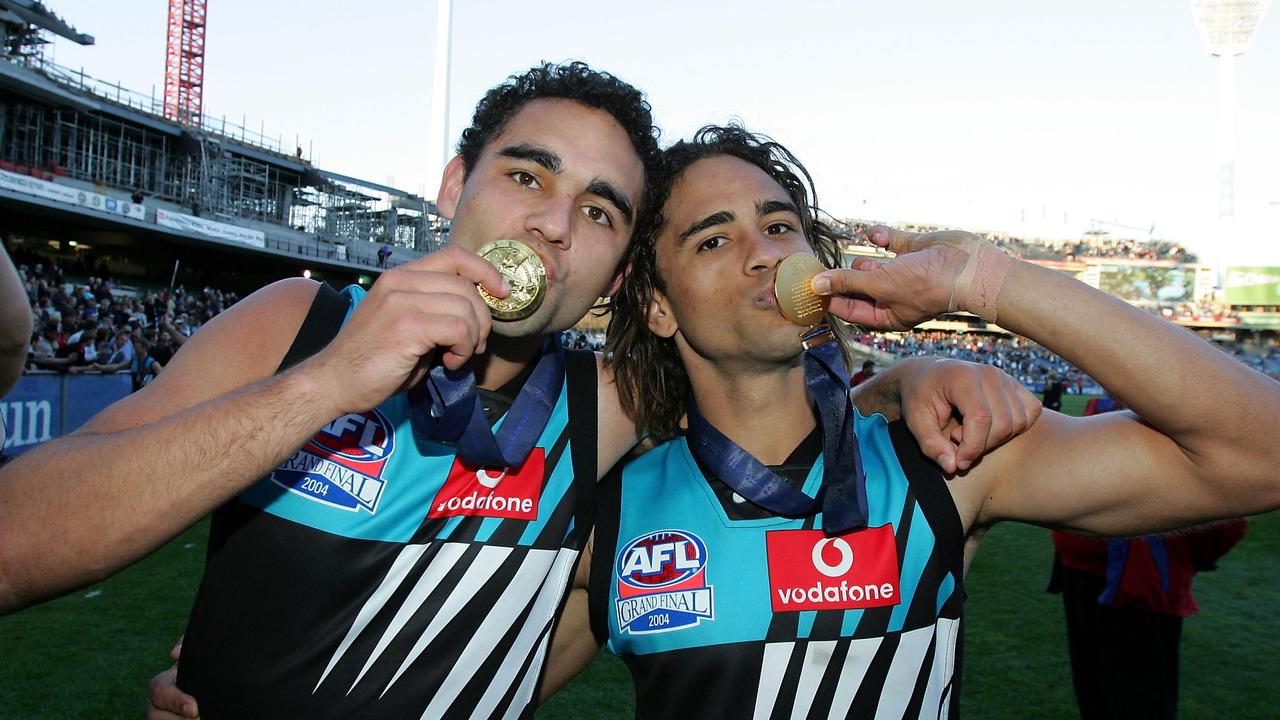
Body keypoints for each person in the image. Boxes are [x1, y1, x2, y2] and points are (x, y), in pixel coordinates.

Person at [3, 65, 1028, 720]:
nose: (549, 226)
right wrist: (330, 381)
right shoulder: (297, 324)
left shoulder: (613, 405)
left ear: (619, 273)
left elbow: (768, 368)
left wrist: (904, 379)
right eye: (525, 179)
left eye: (596, 210)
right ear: (454, 188)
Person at [565, 125, 1275, 717]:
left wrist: (988, 283)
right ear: (657, 304)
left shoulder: (947, 461)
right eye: (713, 240)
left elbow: (1258, 454)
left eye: (780, 225)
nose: (766, 253)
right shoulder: (606, 520)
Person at [1049, 395, 1247, 720]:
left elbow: (1229, 515)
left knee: (1139, 698)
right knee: (1094, 689)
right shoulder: (1100, 407)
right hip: (1083, 574)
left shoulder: (1187, 418)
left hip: (1143, 585)